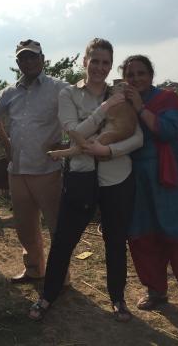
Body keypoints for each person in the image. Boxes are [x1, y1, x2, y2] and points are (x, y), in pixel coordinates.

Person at [28, 38, 143, 322]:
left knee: (115, 241)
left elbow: (138, 137)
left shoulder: (121, 93)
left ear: (110, 65)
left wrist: (109, 150)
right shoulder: (68, 94)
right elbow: (74, 131)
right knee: (65, 239)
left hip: (117, 177)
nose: (100, 68)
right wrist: (104, 109)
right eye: (95, 61)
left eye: (106, 62)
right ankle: (48, 295)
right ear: (84, 62)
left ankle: (117, 298)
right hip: (80, 176)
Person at [121, 54, 178, 326]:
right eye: (130, 74)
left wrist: (139, 108)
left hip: (169, 177)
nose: (136, 78)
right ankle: (156, 291)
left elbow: (169, 132)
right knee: (143, 235)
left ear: (151, 74)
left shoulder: (167, 99)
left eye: (141, 73)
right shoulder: (122, 102)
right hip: (138, 177)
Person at [0, 40, 68, 283]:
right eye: (24, 58)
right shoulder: (9, 92)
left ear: (43, 59)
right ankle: (34, 269)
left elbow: (83, 113)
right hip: (18, 171)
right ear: (18, 63)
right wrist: (7, 145)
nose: (29, 62)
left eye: (33, 57)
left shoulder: (59, 88)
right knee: (24, 227)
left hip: (48, 171)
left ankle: (60, 276)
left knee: (56, 227)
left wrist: (67, 147)